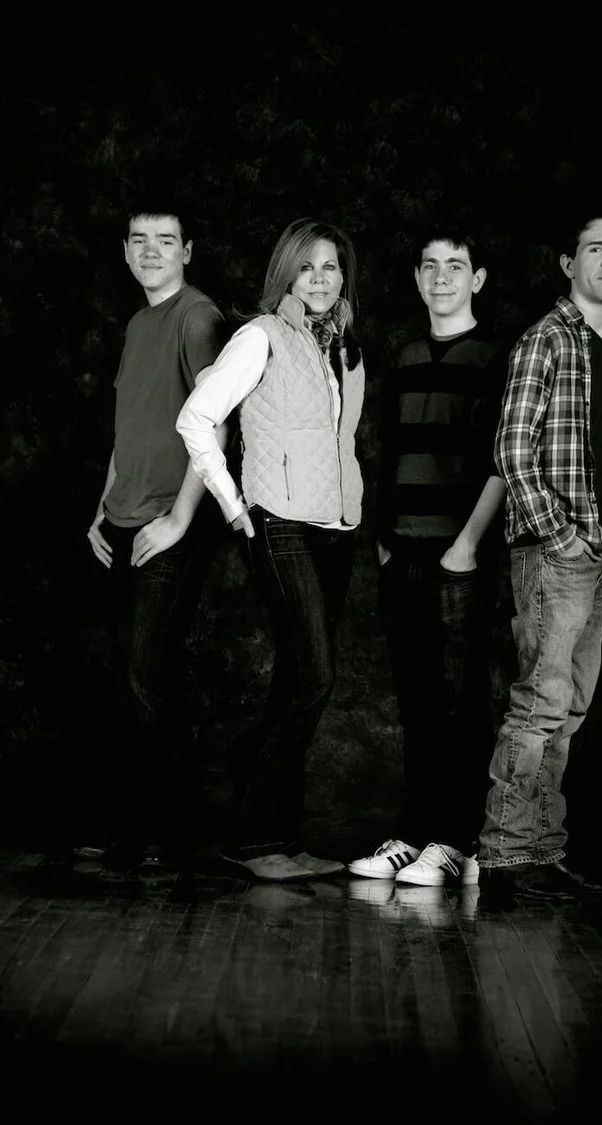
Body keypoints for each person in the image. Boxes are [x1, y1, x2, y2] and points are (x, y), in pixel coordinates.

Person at [176, 217, 366, 883]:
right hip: (278, 522)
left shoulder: (343, 344)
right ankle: (254, 840)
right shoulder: (259, 337)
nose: (319, 278)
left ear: (344, 276)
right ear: (286, 272)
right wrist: (234, 507)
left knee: (297, 679)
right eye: (307, 266)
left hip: (335, 527)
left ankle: (280, 836)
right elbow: (196, 419)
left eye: (331, 267)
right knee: (316, 677)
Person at [477, 211, 602, 902]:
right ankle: (508, 854)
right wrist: (560, 532)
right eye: (594, 248)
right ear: (567, 264)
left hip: (600, 553)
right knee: (540, 706)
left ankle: (541, 849)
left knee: (569, 709)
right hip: (556, 552)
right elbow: (512, 449)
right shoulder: (545, 340)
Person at [348, 227, 507, 888]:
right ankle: (414, 835)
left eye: (457, 265)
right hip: (402, 550)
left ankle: (454, 839)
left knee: (460, 704)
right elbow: (384, 449)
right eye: (431, 266)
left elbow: (503, 461)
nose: (442, 276)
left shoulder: (495, 357)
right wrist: (383, 541)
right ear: (417, 279)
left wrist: (466, 544)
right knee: (415, 701)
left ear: (478, 279)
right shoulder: (405, 354)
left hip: (459, 556)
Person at [82, 204, 228, 876]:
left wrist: (178, 521)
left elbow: (216, 425)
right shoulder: (138, 323)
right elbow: (128, 429)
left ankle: (173, 839)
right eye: (139, 241)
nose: (151, 251)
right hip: (120, 520)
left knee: (148, 679)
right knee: (132, 681)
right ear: (125, 251)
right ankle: (136, 830)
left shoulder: (196, 317)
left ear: (187, 250)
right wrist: (100, 509)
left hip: (169, 520)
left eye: (165, 241)